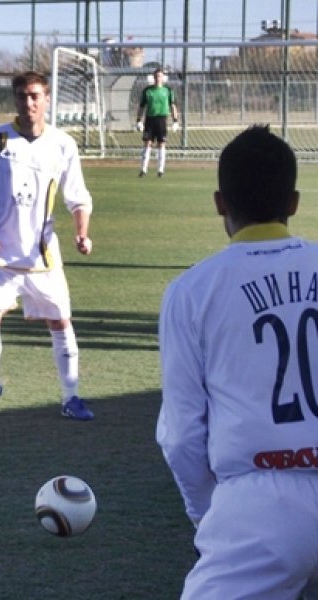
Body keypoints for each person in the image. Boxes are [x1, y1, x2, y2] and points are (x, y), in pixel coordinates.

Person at [157, 125, 318, 599]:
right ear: (293, 201)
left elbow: (182, 433)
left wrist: (207, 514)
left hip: (256, 505)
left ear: (220, 203)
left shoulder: (192, 291)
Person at [0, 71, 94, 420]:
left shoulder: (63, 145)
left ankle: (71, 397)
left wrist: (81, 233)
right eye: (22, 96)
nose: (29, 103)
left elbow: (78, 198)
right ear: (15, 100)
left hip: (41, 255)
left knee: (61, 322)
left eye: (35, 96)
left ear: (47, 99)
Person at [135, 67, 179, 177]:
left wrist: (175, 121)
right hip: (150, 119)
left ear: (163, 78)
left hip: (162, 119)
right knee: (147, 143)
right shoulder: (147, 91)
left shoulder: (168, 90)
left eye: (160, 76)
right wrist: (138, 120)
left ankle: (160, 170)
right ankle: (143, 169)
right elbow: (141, 106)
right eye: (156, 76)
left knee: (161, 144)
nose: (158, 78)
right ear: (153, 77)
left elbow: (172, 106)